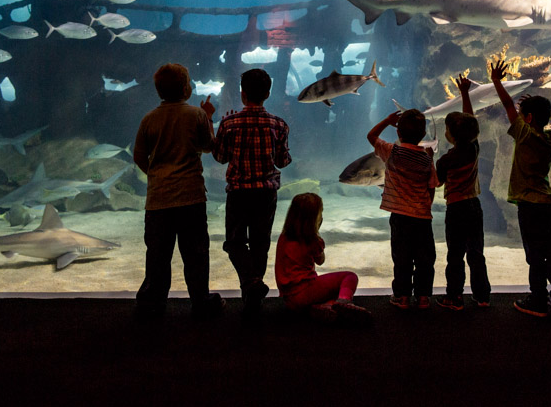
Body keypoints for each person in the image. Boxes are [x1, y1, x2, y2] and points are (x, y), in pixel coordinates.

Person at [132, 63, 224, 319]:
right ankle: (201, 301)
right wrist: (209, 117)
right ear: (186, 89)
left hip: (159, 200)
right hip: (190, 197)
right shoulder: (196, 115)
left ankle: (152, 304)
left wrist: (155, 175)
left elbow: (138, 155)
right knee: (196, 254)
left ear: (158, 90)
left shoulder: (149, 118)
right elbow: (208, 147)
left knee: (157, 255)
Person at [490, 59, 551, 317]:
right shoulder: (550, 138)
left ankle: (538, 300)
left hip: (529, 206)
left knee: (535, 255)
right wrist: (546, 111)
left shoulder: (524, 134)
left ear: (528, 118)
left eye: (524, 114)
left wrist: (496, 81)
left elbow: (507, 105)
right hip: (548, 204)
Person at [212, 68, 291, 315]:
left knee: (234, 243)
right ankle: (253, 292)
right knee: (260, 244)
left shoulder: (229, 123)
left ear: (242, 94)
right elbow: (283, 162)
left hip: (238, 192)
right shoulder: (279, 124)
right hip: (266, 194)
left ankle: (250, 286)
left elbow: (220, 157)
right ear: (267, 94)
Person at [367, 107, 441, 309]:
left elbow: (371, 136)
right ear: (423, 134)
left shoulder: (392, 152)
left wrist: (387, 120)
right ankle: (423, 297)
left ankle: (403, 297)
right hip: (422, 217)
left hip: (400, 217)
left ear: (398, 133)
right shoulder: (426, 158)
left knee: (402, 258)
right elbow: (432, 185)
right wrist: (427, 205)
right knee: (425, 259)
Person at [435, 74, 491, 310]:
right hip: (474, 205)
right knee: (476, 253)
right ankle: (482, 296)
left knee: (455, 254)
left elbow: (436, 183)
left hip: (456, 208)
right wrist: (466, 94)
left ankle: (454, 296)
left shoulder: (446, 160)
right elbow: (470, 120)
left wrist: (428, 160)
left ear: (449, 134)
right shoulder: (474, 148)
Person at [274, 193, 373, 325]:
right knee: (349, 277)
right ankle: (344, 302)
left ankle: (321, 307)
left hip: (289, 299)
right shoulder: (313, 241)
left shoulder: (283, 238)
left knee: (327, 291)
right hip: (306, 291)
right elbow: (321, 261)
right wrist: (317, 236)